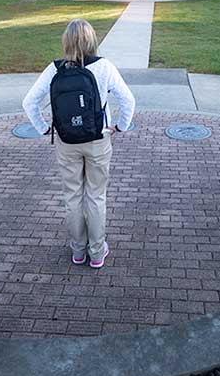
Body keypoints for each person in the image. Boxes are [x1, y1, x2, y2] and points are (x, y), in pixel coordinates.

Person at [22, 19, 135, 269]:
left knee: (73, 197)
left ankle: (78, 251)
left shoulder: (55, 69)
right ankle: (96, 252)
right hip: (97, 139)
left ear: (66, 41)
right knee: (96, 196)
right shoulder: (104, 67)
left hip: (66, 142)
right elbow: (128, 100)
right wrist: (121, 126)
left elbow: (29, 102)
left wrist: (43, 128)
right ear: (92, 40)